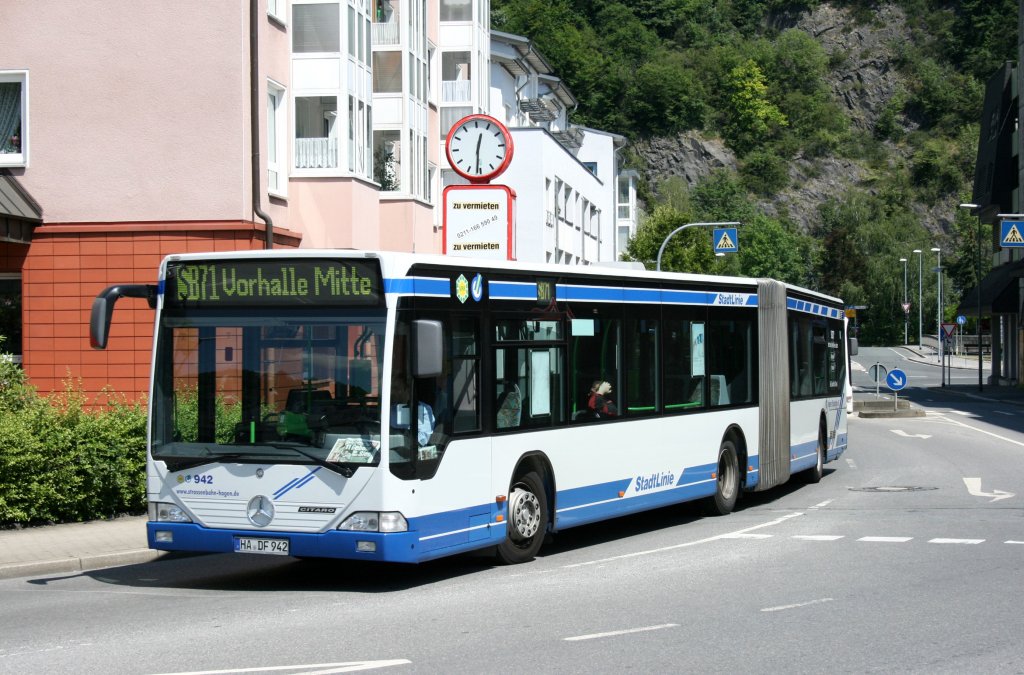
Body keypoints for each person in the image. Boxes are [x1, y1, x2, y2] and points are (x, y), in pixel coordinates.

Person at [390, 378, 435, 446]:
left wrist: (403, 435)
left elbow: (424, 439)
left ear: (407, 390)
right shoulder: (389, 410)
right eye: (392, 389)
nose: (393, 392)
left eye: (396, 388)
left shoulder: (423, 410)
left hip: (411, 452)